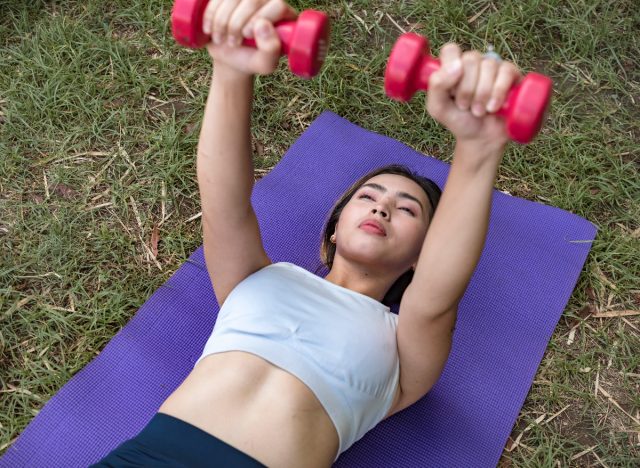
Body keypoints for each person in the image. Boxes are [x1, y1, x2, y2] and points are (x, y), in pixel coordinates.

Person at [93, 1, 522, 466]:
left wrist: (478, 149)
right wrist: (231, 69)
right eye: (369, 195)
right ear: (335, 227)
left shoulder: (404, 345)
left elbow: (439, 294)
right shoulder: (256, 277)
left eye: (408, 209)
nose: (382, 205)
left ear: (422, 253)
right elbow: (223, 205)